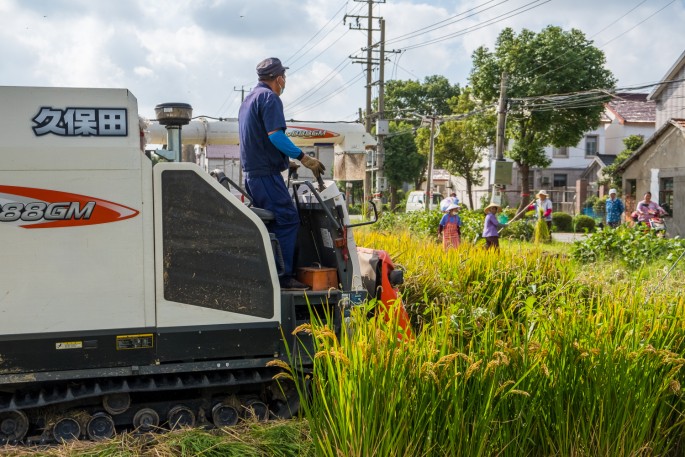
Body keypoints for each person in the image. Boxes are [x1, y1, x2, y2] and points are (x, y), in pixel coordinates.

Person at [238, 57, 325, 290]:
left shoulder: (248, 100)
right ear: (278, 79)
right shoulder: (270, 98)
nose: (284, 81)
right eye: (284, 77)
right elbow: (275, 136)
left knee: (271, 221)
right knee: (287, 219)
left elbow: (257, 138)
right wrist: (303, 158)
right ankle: (283, 278)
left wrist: (284, 160)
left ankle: (270, 271)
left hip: (253, 174)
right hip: (265, 174)